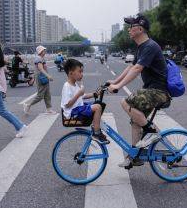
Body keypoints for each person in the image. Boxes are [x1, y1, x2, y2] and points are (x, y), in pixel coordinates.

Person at [107, 14, 171, 168]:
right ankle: (135, 156)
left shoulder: (150, 46)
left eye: (131, 27)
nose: (129, 30)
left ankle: (152, 131)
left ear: (140, 29)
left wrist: (118, 86)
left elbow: (137, 69)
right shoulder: (141, 47)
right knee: (136, 121)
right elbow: (130, 66)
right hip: (151, 90)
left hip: (159, 92)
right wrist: (114, 81)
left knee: (125, 101)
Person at [61, 59, 109, 144]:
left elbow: (83, 96)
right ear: (71, 73)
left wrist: (94, 94)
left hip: (78, 108)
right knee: (97, 107)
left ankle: (95, 125)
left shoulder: (75, 84)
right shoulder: (67, 86)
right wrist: (79, 93)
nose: (82, 74)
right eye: (80, 71)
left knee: (97, 104)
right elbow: (67, 104)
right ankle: (96, 133)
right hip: (73, 111)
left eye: (82, 72)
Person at [23, 45, 56, 115]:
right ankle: (28, 105)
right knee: (40, 95)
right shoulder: (38, 58)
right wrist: (48, 76)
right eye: (44, 50)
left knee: (47, 94)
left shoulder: (41, 58)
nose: (45, 51)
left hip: (44, 78)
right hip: (41, 78)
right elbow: (40, 69)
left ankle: (49, 109)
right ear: (40, 51)